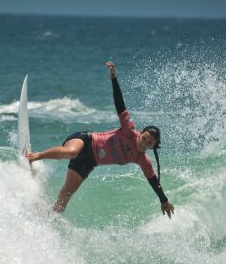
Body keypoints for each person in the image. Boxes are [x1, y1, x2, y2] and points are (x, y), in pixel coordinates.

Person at [27, 61, 175, 219]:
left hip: (89, 162)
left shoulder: (142, 160)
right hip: (86, 141)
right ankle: (36, 156)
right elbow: (120, 104)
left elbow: (153, 181)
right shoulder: (128, 129)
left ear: (152, 147)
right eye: (144, 138)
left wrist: (164, 200)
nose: (144, 143)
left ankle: (47, 219)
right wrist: (114, 79)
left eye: (149, 143)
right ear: (140, 133)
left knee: (65, 195)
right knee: (72, 152)